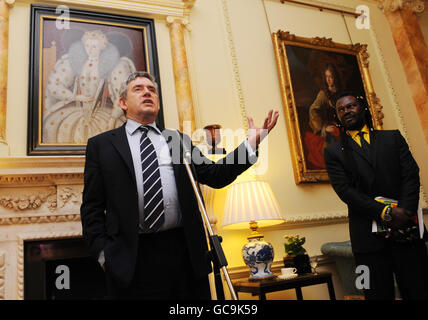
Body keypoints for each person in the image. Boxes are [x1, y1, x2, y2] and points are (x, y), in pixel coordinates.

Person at [80, 71, 279, 299]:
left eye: (151, 89)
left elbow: (215, 175)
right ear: (123, 103)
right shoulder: (101, 145)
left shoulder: (176, 139)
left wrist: (251, 143)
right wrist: (105, 256)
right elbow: (91, 208)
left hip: (183, 255)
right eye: (138, 88)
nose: (147, 92)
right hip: (131, 259)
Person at [324, 92, 428, 300]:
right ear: (337, 117)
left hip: (406, 232)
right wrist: (387, 213)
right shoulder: (333, 152)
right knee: (376, 295)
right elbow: (345, 191)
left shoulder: (393, 137)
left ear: (362, 109)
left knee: (420, 291)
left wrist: (405, 212)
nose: (347, 111)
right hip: (367, 240)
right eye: (341, 109)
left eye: (351, 106)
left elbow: (410, 175)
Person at [43, 30, 135, 144]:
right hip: (76, 110)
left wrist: (113, 118)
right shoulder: (75, 62)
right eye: (87, 46)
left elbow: (122, 93)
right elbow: (54, 85)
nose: (90, 49)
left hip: (100, 112)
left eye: (94, 46)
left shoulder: (111, 65)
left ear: (101, 48)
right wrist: (75, 97)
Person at [305, 64, 341, 169]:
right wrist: (323, 128)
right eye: (327, 77)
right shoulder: (323, 94)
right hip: (330, 128)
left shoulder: (341, 93)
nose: (329, 80)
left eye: (331, 76)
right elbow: (313, 110)